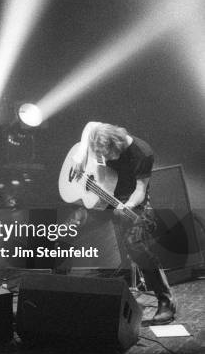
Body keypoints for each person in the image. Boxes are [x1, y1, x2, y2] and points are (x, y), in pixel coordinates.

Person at [70, 121, 175, 325]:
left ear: (115, 144)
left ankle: (166, 300)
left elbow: (140, 191)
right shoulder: (100, 135)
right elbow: (90, 125)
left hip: (131, 200)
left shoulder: (142, 153)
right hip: (106, 193)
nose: (102, 159)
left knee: (135, 245)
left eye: (106, 155)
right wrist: (79, 156)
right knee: (69, 229)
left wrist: (126, 206)